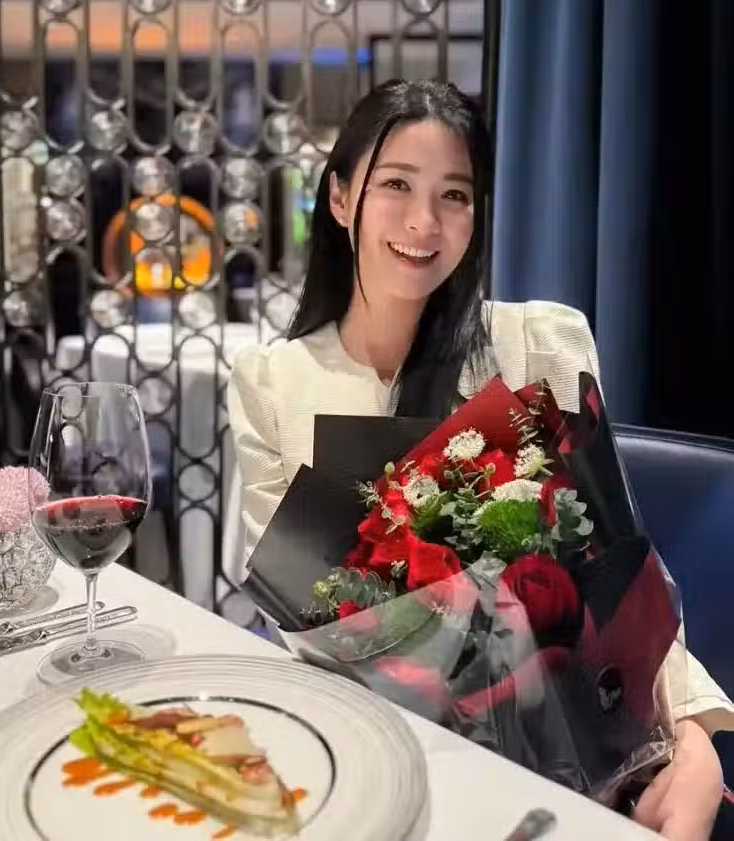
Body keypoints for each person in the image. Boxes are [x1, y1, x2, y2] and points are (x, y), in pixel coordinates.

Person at [228, 80, 730, 839]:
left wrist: (688, 735)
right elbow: (302, 625)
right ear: (339, 197)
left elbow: (615, 569)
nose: (424, 222)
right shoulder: (273, 385)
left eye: (455, 195)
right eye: (397, 184)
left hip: (560, 761)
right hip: (374, 758)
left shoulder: (538, 344)